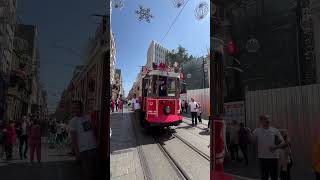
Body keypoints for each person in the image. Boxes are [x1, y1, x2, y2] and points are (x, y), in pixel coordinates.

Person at [68, 100, 98, 179]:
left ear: (81, 108)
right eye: (74, 108)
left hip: (93, 148)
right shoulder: (72, 122)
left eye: (77, 107)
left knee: (95, 172)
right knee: (88, 174)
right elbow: (74, 139)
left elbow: (92, 132)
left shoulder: (88, 117)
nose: (75, 109)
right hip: (84, 151)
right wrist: (77, 154)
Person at [252, 114, 287, 180]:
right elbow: (252, 141)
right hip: (262, 158)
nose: (267, 120)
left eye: (268, 118)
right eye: (265, 119)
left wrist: (275, 147)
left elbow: (283, 142)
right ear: (261, 121)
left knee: (274, 177)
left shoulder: (275, 130)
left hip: (273, 158)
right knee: (264, 177)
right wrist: (249, 134)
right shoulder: (257, 131)